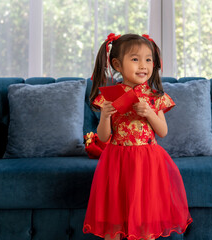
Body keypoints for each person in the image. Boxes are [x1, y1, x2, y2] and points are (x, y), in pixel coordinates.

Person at [83, 33, 193, 240]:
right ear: (117, 64)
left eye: (148, 59)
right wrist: (105, 116)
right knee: (114, 222)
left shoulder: (155, 97)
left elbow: (163, 131)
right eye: (135, 59)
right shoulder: (110, 95)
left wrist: (149, 113)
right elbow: (104, 138)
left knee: (145, 223)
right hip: (117, 161)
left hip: (147, 162)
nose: (143, 65)